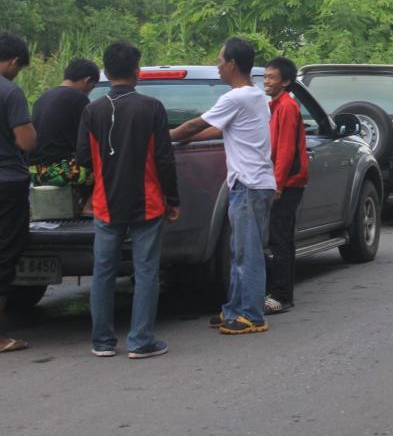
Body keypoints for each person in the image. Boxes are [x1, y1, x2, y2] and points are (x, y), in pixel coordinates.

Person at [77, 42, 180, 359]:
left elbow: (82, 159)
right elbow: (164, 159)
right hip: (148, 202)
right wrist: (173, 198)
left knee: (103, 272)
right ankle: (140, 341)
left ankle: (102, 341)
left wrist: (87, 197)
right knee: (146, 270)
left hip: (105, 204)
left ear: (106, 72)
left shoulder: (92, 110)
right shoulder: (151, 108)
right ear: (136, 71)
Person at [171, 38, 276, 335]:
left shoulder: (236, 98)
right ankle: (234, 308)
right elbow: (217, 129)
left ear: (232, 64)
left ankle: (253, 316)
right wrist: (185, 140)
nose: (217, 65)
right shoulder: (254, 96)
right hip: (254, 183)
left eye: (220, 60)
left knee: (247, 252)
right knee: (238, 249)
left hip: (248, 185)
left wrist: (164, 137)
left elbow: (195, 124)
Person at [262, 57, 308, 315]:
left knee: (279, 238)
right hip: (282, 180)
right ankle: (279, 291)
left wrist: (277, 185)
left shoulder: (288, 107)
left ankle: (281, 295)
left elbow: (286, 150)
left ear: (286, 81)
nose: (267, 81)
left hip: (288, 182)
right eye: (265, 77)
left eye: (272, 77)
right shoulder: (276, 106)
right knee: (280, 237)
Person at [0, 33, 37, 354]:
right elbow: (26, 142)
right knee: (4, 255)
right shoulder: (9, 92)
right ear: (13, 61)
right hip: (6, 184)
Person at [29, 58, 100, 190]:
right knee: (107, 173)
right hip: (62, 171)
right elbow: (88, 140)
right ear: (87, 80)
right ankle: (88, 207)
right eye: (92, 86)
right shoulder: (79, 98)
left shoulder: (43, 98)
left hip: (36, 172)